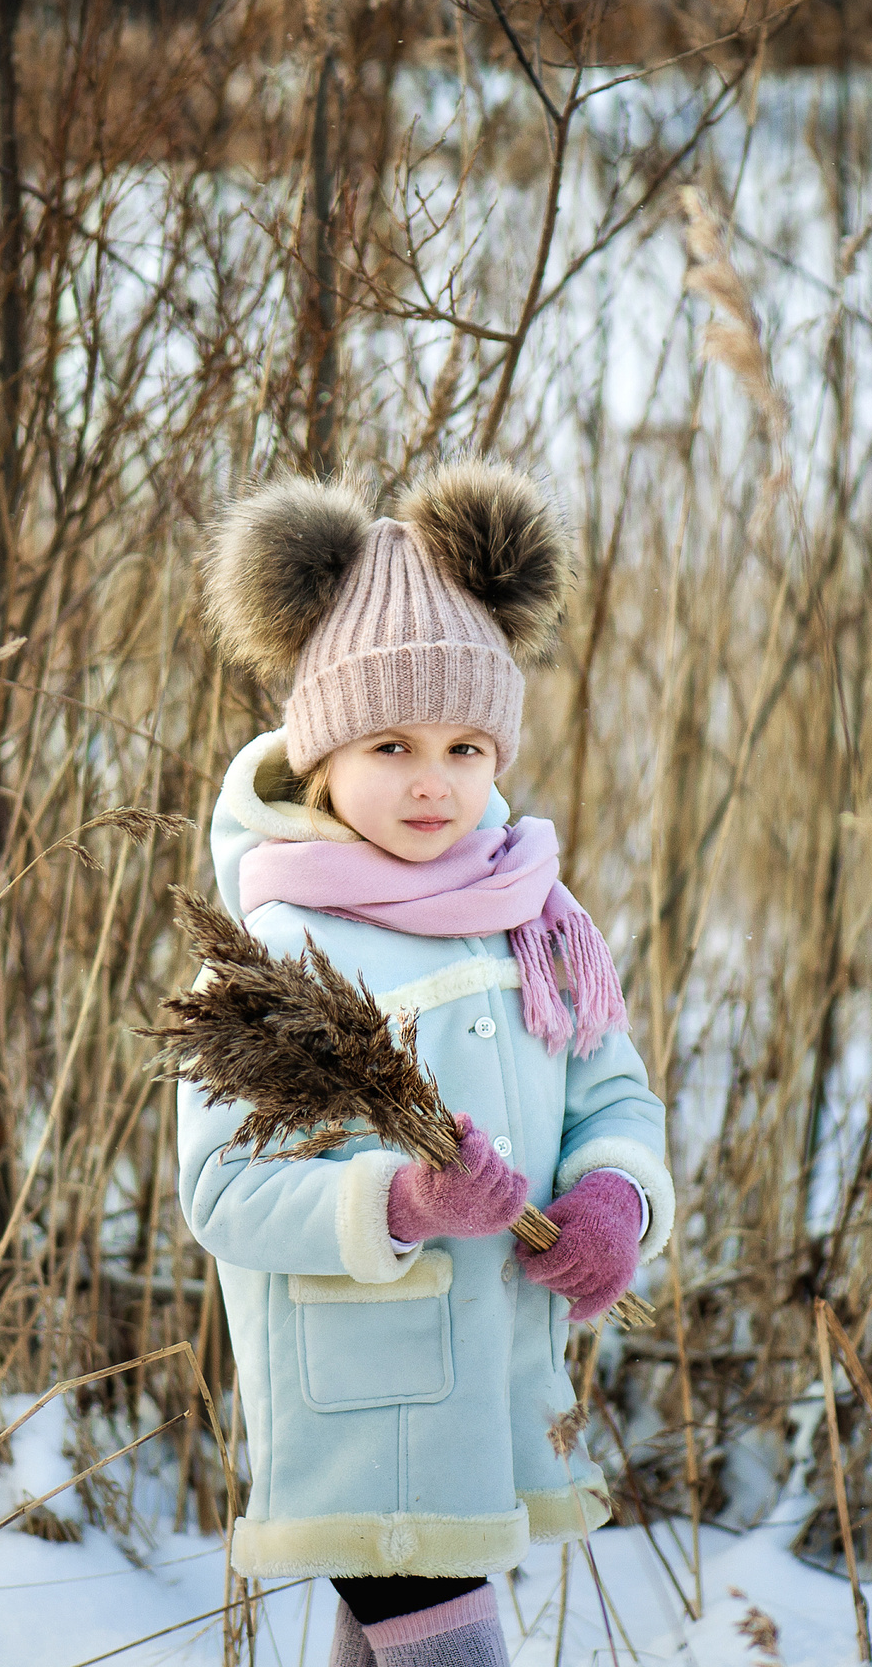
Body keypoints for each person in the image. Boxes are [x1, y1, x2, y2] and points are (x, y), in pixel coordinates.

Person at [176, 460, 675, 1666]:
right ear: (321, 752)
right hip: (364, 1391)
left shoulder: (533, 916)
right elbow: (223, 1192)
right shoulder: (274, 946)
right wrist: (403, 1199)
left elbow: (611, 1093)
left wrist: (614, 1197)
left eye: (464, 746)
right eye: (390, 743)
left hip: (494, 1379)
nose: (431, 781)